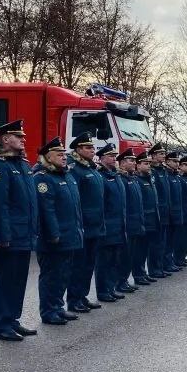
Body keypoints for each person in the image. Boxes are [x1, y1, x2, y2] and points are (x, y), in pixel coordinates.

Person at [0, 120, 39, 342]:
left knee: (18, 279)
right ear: (6, 139)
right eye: (19, 137)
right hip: (11, 236)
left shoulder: (23, 165)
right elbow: (0, 205)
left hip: (24, 233)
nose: (24, 139)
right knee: (6, 279)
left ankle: (13, 319)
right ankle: (2, 324)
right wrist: (3, 235)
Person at [34, 137, 84, 325]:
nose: (64, 157)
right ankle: (48, 311)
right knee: (50, 276)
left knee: (63, 274)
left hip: (70, 234)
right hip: (53, 238)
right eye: (59, 154)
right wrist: (54, 234)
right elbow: (47, 209)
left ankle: (57, 307)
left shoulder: (66, 176)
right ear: (48, 156)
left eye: (64, 154)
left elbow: (75, 207)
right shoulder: (43, 177)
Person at [66, 132, 105, 313]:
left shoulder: (91, 168)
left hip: (95, 224)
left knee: (89, 263)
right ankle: (74, 299)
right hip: (83, 224)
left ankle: (83, 295)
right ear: (78, 149)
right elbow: (75, 200)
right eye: (88, 147)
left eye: (92, 147)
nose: (92, 150)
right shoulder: (75, 169)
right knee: (78, 265)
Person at [95, 142, 127, 302]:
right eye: (110, 156)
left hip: (118, 224)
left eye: (114, 156)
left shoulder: (115, 176)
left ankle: (111, 287)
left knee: (115, 259)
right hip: (107, 225)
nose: (114, 158)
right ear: (101, 159)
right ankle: (103, 291)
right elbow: (100, 204)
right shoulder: (101, 177)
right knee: (104, 261)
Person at [115, 149, 143, 294]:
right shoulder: (122, 179)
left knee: (130, 254)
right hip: (127, 223)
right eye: (131, 160)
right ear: (122, 163)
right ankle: (119, 281)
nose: (134, 163)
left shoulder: (132, 178)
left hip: (135, 222)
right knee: (124, 255)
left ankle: (124, 280)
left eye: (134, 160)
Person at [148, 143, 171, 278]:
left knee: (162, 241)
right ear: (154, 155)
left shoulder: (163, 170)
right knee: (155, 243)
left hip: (165, 210)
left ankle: (160, 266)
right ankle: (154, 269)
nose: (163, 156)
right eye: (161, 154)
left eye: (163, 153)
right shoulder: (153, 171)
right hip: (158, 211)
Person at [136, 151, 159, 285]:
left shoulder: (149, 178)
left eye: (149, 163)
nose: (149, 166)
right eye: (146, 163)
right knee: (139, 249)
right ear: (138, 166)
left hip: (152, 218)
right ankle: (138, 274)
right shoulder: (138, 180)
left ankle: (143, 273)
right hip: (144, 219)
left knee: (146, 248)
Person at [164, 151, 185, 271]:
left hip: (177, 212)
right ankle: (166, 263)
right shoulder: (167, 175)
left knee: (172, 239)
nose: (177, 164)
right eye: (174, 161)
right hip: (170, 213)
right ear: (167, 161)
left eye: (178, 161)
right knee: (167, 241)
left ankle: (170, 261)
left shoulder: (176, 176)